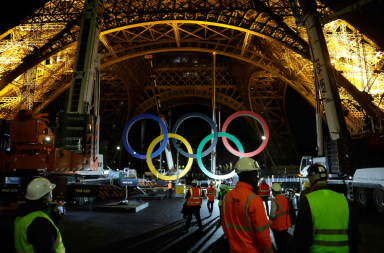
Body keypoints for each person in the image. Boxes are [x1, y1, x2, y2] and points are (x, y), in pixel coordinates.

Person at [294, 164, 361, 253]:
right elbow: (354, 237)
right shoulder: (344, 200)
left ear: (311, 180)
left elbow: (301, 240)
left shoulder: (307, 201)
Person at [222, 157, 273, 253]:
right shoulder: (255, 200)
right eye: (255, 175)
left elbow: (224, 224)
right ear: (246, 177)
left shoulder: (226, 196)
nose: (257, 178)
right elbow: (263, 234)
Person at [14, 178, 65, 253]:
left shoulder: (22, 216)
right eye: (50, 193)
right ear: (46, 197)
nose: (51, 196)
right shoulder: (40, 222)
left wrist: (55, 216)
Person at [269, 183, 291, 253]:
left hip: (278, 226)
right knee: (283, 242)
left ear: (274, 191)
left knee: (279, 243)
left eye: (272, 191)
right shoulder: (284, 198)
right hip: (285, 224)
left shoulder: (274, 201)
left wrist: (269, 221)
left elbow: (272, 215)